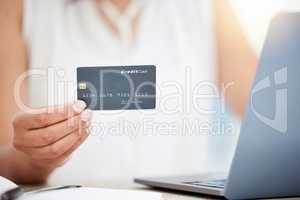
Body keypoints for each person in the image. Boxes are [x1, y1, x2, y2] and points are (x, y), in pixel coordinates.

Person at [0, 0, 257, 185]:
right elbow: (5, 161)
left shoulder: (209, 5)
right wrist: (38, 159)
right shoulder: (18, 6)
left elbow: (270, 115)